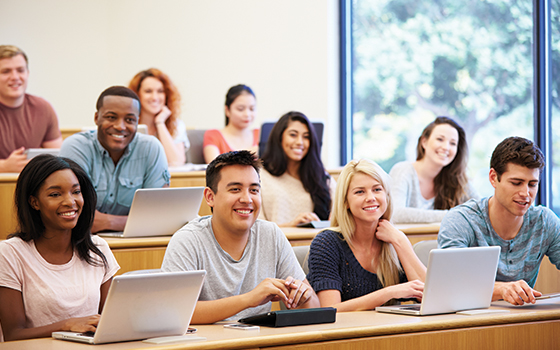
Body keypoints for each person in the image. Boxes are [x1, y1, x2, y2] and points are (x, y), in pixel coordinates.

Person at [161, 150, 320, 323]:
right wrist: (249, 299)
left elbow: (315, 309)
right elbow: (177, 311)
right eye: (235, 189)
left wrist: (306, 297)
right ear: (210, 197)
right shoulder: (187, 240)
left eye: (254, 190)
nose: (247, 199)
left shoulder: (271, 234)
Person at [0, 155, 119, 341]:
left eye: (76, 192)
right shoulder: (9, 253)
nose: (70, 201)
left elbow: (111, 321)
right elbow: (13, 334)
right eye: (55, 194)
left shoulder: (98, 248)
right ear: (34, 202)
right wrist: (67, 325)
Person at [438, 136, 560, 305]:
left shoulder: (544, 221)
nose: (526, 193)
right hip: (470, 323)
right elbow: (448, 284)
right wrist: (501, 289)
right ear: (493, 178)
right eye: (516, 183)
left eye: (532, 184)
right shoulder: (461, 220)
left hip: (522, 322)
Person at [307, 159, 425, 311]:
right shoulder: (327, 243)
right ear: (346, 202)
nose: (371, 197)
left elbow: (432, 296)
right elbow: (330, 309)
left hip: (388, 332)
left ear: (387, 197)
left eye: (377, 189)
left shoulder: (394, 241)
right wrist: (389, 293)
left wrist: (401, 241)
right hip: (344, 333)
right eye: (359, 192)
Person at [59, 86, 169, 233]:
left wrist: (107, 221)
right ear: (97, 118)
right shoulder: (76, 147)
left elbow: (159, 215)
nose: (120, 126)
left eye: (130, 119)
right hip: (81, 242)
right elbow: (75, 215)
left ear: (138, 122)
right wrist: (136, 221)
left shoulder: (151, 148)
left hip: (136, 242)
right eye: (111, 117)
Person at [389, 116, 477, 223]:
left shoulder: (458, 179)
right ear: (424, 142)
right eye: (440, 139)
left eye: (453, 143)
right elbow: (395, 214)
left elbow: (481, 209)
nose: (446, 147)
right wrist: (454, 215)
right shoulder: (403, 171)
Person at [259, 111, 335, 226]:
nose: (300, 142)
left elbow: (340, 218)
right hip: (275, 243)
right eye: (293, 135)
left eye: (306, 137)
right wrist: (292, 225)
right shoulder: (259, 176)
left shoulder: (322, 178)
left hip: (313, 242)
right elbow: (255, 228)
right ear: (279, 137)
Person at [0, 45, 62, 173]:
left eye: (20, 70)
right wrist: (3, 167)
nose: (15, 77)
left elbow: (59, 159)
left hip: (32, 186)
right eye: (6, 71)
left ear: (27, 73)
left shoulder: (43, 108)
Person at [128, 68, 189, 166]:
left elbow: (176, 162)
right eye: (148, 91)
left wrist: (160, 123)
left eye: (160, 91)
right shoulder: (127, 124)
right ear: (137, 95)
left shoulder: (176, 124)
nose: (155, 97)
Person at [203, 85, 259, 163]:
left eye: (252, 109)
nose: (247, 114)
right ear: (227, 110)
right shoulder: (213, 135)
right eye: (240, 109)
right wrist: (247, 154)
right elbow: (214, 167)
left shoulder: (260, 134)